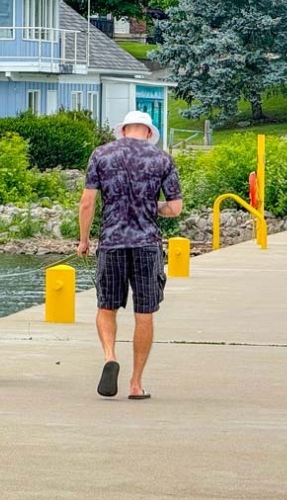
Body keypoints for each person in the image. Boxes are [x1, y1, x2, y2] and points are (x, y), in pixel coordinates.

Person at [77, 109, 182, 401]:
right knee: (144, 313)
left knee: (106, 307)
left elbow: (87, 203)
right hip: (147, 245)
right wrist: (150, 206)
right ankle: (135, 384)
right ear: (148, 133)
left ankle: (110, 356)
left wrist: (84, 240)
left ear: (123, 130)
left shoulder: (101, 155)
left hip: (111, 242)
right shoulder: (162, 159)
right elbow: (175, 208)